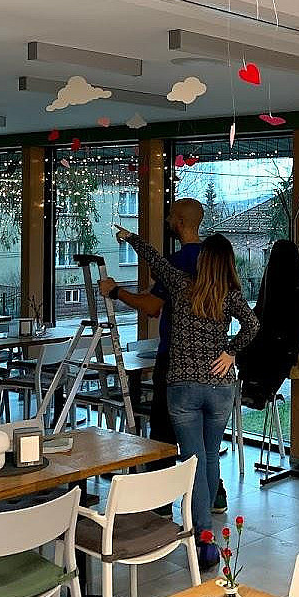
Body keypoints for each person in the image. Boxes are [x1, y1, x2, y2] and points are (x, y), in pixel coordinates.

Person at [111, 224, 258, 570]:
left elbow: (155, 259)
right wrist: (231, 352)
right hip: (220, 386)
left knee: (193, 461)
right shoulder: (230, 296)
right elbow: (253, 325)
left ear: (203, 262)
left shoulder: (181, 285)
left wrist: (130, 238)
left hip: (182, 387)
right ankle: (205, 528)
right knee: (209, 457)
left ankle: (204, 537)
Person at [100, 198, 229, 513]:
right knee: (206, 443)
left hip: (176, 360)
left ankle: (160, 500)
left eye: (171, 216)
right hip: (214, 364)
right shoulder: (215, 261)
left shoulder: (178, 261)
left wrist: (115, 291)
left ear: (181, 222)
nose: (168, 221)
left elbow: (152, 307)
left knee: (164, 431)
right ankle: (214, 496)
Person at [236, 240, 299, 410]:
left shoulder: (271, 286)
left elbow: (258, 315)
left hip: (264, 352)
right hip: (283, 353)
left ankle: (254, 393)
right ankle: (259, 393)